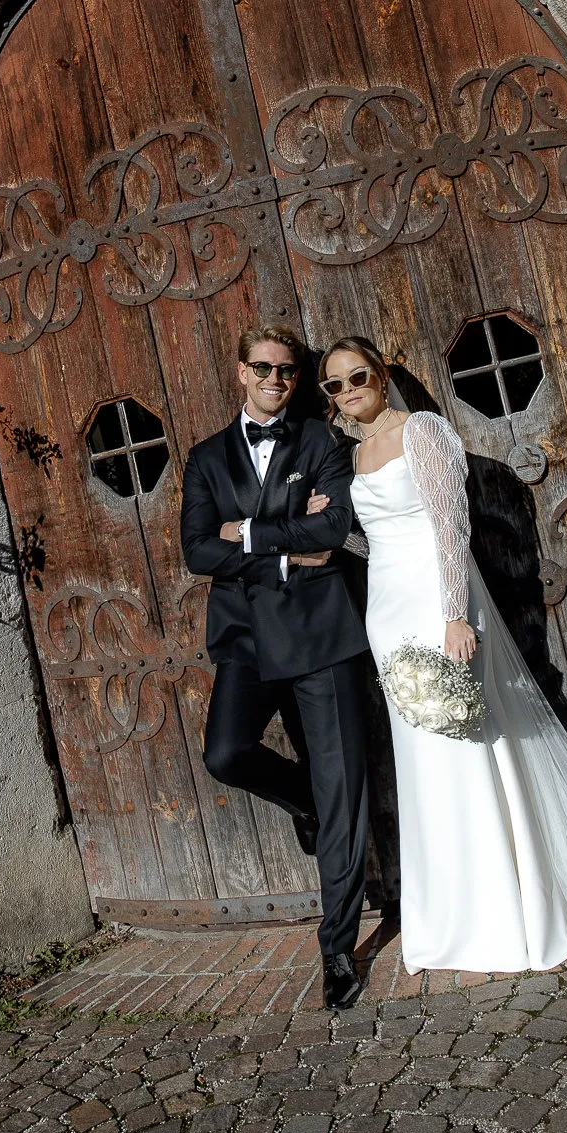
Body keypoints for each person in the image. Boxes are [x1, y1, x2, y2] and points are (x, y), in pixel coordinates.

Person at [312, 335, 567, 975]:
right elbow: (380, 542)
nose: (350, 392)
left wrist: (456, 615)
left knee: (472, 743)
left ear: (380, 375)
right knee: (425, 755)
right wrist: (328, 532)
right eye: (335, 385)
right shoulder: (350, 456)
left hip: (441, 606)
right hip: (390, 615)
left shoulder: (422, 431)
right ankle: (451, 915)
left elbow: (448, 526)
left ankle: (507, 907)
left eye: (359, 377)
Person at [180, 327, 371, 1008]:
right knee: (226, 753)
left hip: (321, 635)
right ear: (240, 372)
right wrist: (288, 539)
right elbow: (198, 551)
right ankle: (309, 804)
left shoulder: (320, 442)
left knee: (343, 780)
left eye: (287, 371)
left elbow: (332, 529)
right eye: (262, 367)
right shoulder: (205, 458)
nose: (274, 379)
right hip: (246, 638)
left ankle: (337, 949)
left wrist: (251, 533)